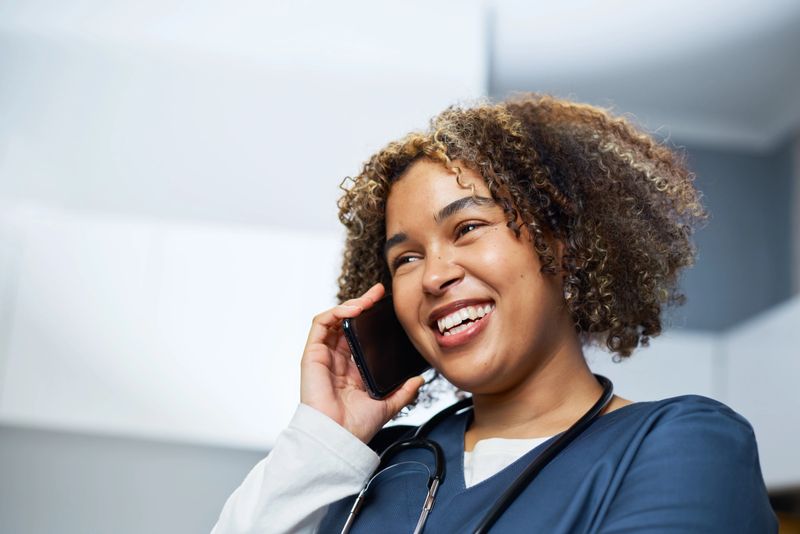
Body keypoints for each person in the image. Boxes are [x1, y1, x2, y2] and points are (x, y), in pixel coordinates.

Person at [211, 94, 777, 533]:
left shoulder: (681, 443)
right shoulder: (374, 467)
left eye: (468, 227)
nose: (433, 277)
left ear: (561, 244)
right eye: (405, 258)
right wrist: (323, 439)